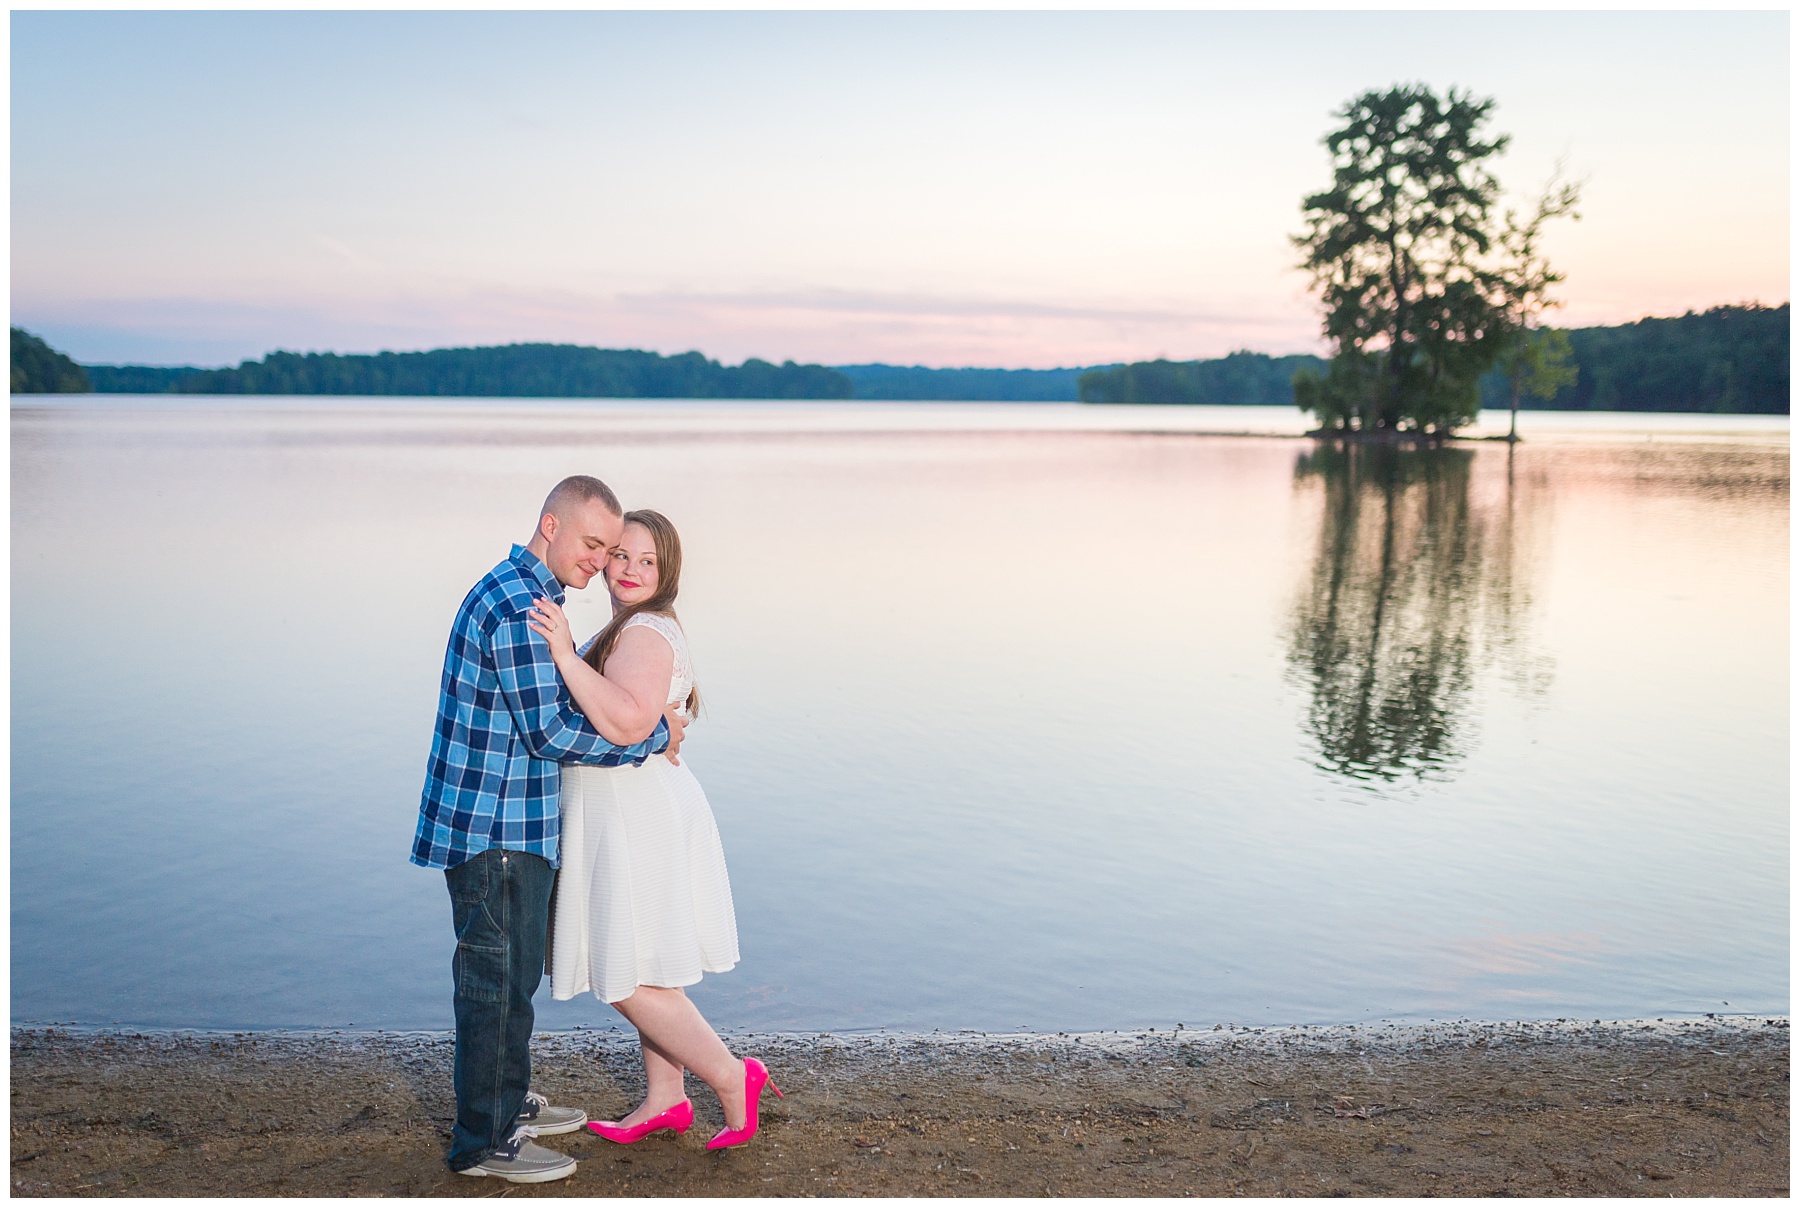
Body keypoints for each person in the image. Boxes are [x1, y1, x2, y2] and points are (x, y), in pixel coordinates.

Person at [411, 476, 687, 1184]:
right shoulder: (515, 608)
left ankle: (506, 1101)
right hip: (495, 826)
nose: (601, 560)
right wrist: (646, 739)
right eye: (594, 544)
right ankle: (484, 1141)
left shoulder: (533, 600)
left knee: (512, 978)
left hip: (513, 821)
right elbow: (549, 729)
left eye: (612, 548)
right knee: (494, 986)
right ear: (551, 526)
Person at [527, 509, 780, 1150]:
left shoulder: (642, 629)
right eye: (622, 556)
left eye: (648, 561)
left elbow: (626, 722)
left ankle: (731, 1076)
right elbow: (638, 719)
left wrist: (561, 651)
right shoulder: (633, 627)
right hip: (629, 808)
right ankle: (666, 1099)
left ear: (667, 573)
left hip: (631, 817)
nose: (631, 571)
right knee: (645, 964)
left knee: (623, 974)